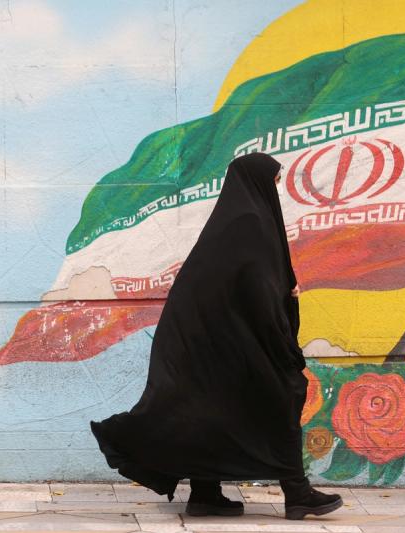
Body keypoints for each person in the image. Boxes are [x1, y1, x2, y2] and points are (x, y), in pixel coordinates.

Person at [90, 152, 342, 520]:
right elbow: (256, 286)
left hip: (208, 343)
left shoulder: (233, 222)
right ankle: (298, 493)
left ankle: (205, 493)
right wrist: (283, 305)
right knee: (281, 397)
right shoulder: (250, 223)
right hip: (228, 341)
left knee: (209, 411)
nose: (276, 188)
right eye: (273, 181)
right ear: (256, 182)